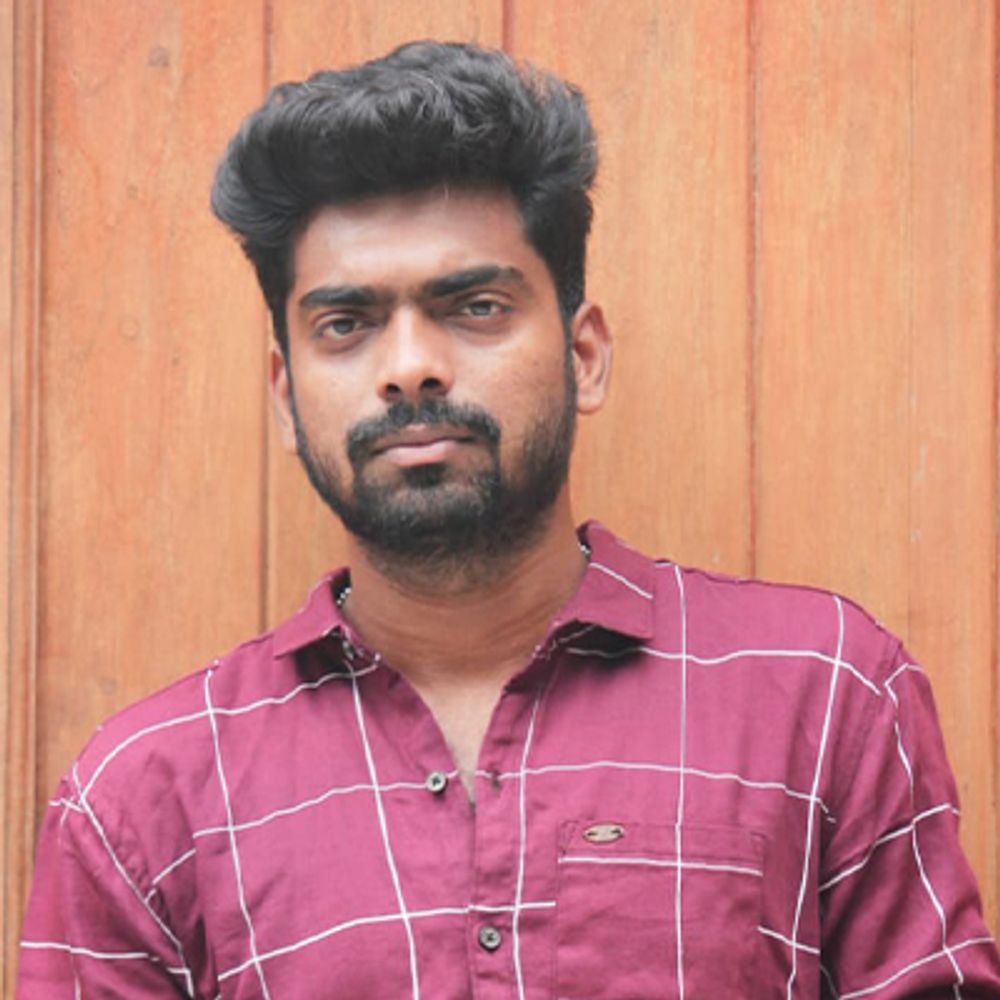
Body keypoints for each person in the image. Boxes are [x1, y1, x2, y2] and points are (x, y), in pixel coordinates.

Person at [16, 40, 1000, 1000]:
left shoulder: (821, 692)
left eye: (475, 306)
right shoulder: (143, 798)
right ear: (286, 396)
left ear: (584, 357)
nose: (410, 367)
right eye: (345, 324)